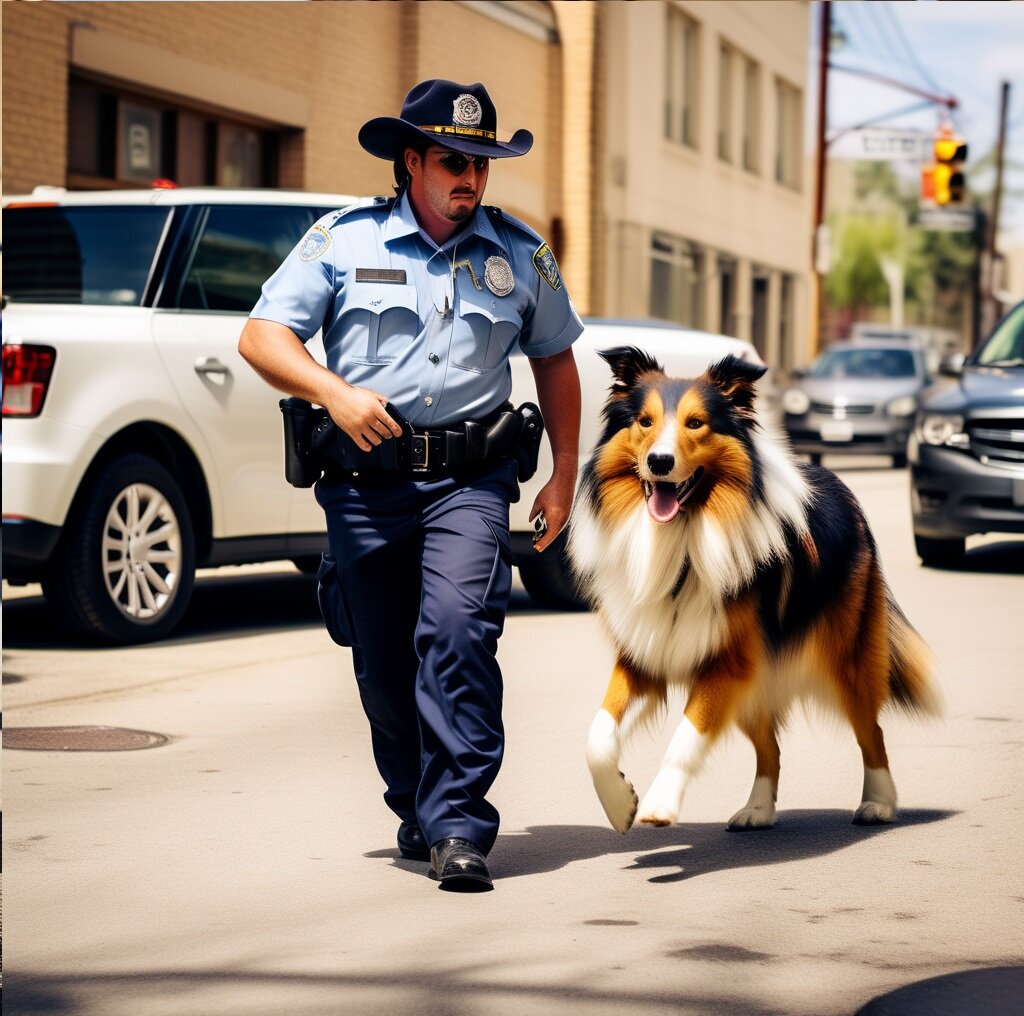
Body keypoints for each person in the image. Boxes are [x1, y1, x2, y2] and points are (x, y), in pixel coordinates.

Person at [238, 79, 582, 892]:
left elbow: (556, 358)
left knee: (459, 633)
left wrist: (566, 473)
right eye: (454, 162)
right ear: (411, 162)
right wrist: (332, 390)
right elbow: (261, 335)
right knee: (384, 661)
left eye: (482, 164)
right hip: (365, 486)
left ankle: (460, 823)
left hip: (471, 480)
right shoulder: (343, 240)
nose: (470, 178)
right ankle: (417, 804)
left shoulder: (519, 256)